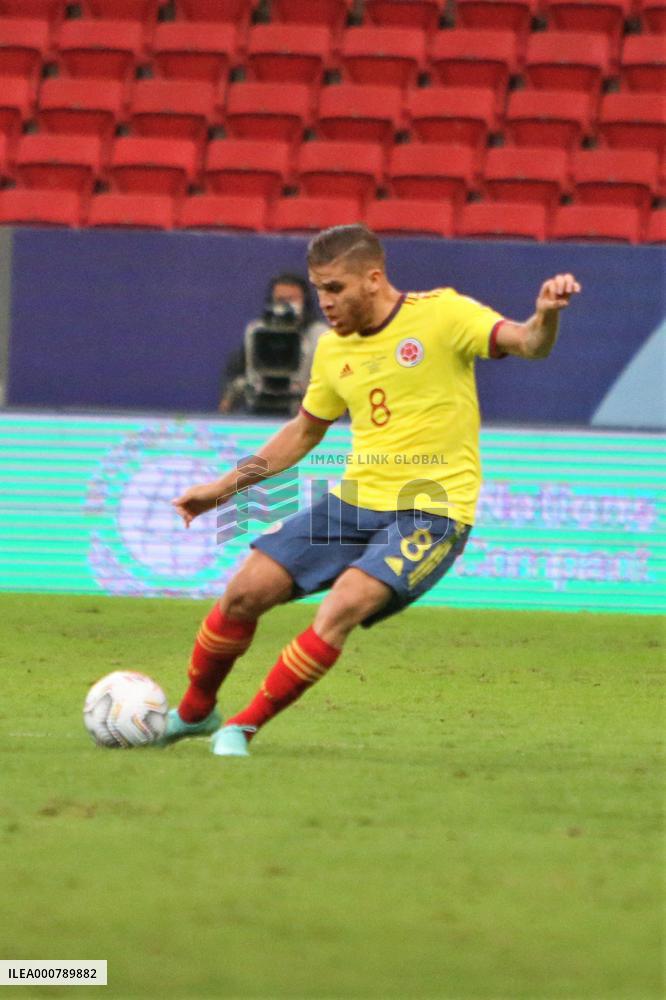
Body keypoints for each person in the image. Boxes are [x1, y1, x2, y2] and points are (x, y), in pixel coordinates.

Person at [164, 224, 581, 757]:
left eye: (335, 288)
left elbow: (527, 343)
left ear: (374, 278)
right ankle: (196, 712)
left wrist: (545, 315)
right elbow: (302, 433)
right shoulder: (334, 351)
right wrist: (225, 489)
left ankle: (241, 728)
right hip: (353, 503)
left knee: (343, 605)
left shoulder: (443, 314)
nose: (325, 302)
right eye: (319, 289)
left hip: (432, 509)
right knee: (244, 592)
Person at [218, 272, 328, 415]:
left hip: (304, 412)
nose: (285, 305)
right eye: (280, 299)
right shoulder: (256, 332)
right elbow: (238, 373)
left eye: (291, 299)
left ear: (304, 301)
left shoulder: (321, 335)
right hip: (260, 408)